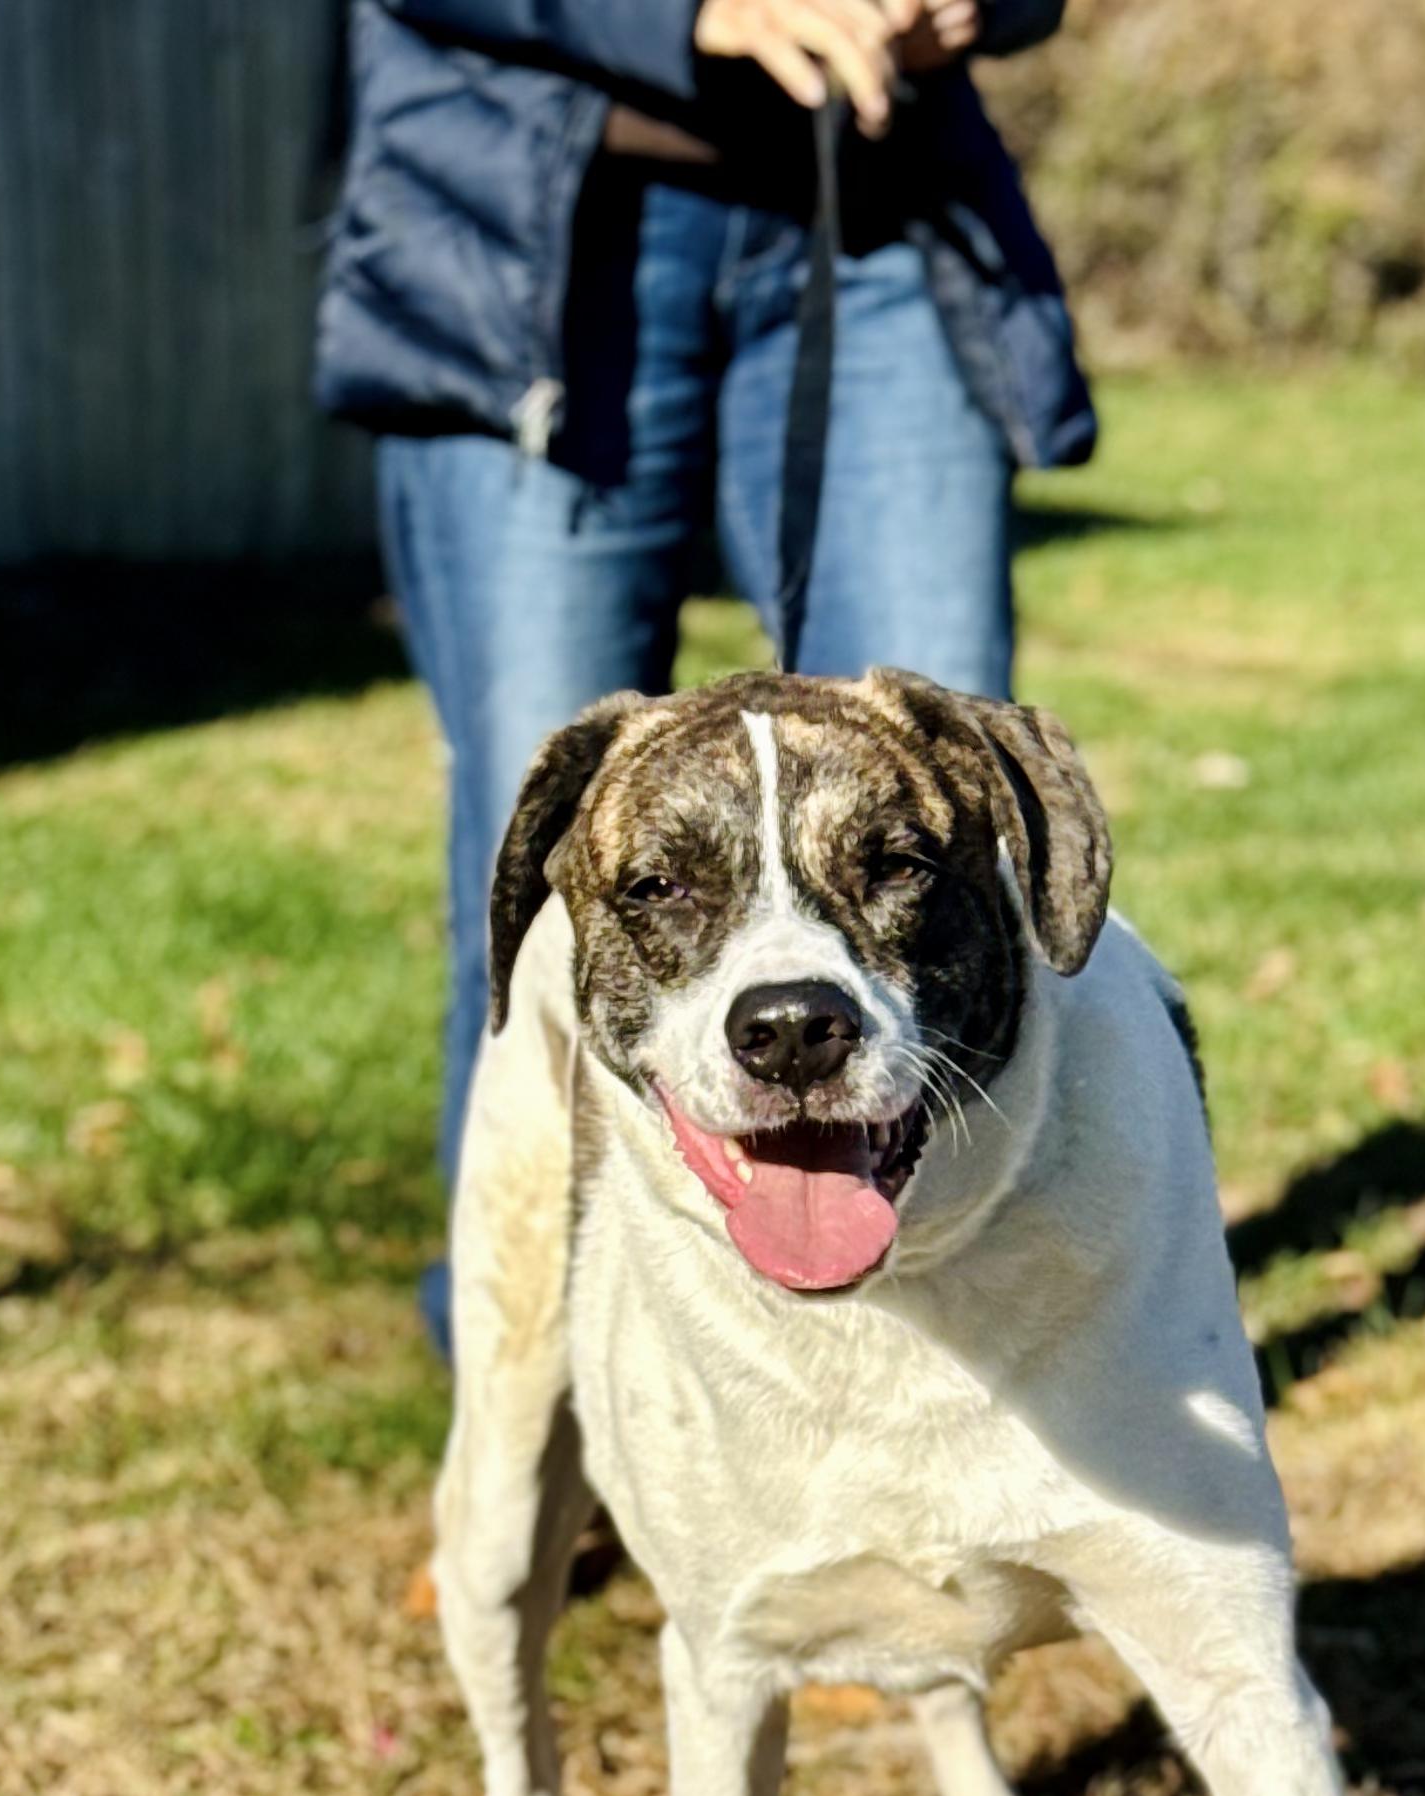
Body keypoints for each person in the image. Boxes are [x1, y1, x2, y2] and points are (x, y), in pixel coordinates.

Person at [315, 0, 1094, 1354]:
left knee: (953, 852)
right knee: (547, 902)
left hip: (882, 210)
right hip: (539, 220)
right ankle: (535, 1430)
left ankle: (982, 1389)